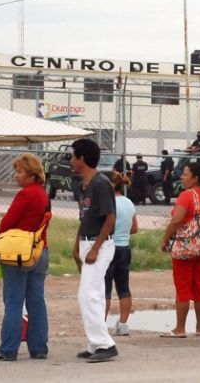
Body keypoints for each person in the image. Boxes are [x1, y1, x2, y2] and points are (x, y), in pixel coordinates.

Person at [0, 153, 51, 362]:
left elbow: (8, 222)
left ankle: (8, 349)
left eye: (19, 171)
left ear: (31, 175)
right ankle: (39, 347)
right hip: (40, 250)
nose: (15, 175)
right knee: (37, 301)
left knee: (14, 301)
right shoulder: (43, 194)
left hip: (18, 254)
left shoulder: (25, 194)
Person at [70, 138, 119, 362]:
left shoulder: (101, 183)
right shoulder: (83, 184)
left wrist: (95, 249)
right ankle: (94, 344)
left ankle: (104, 344)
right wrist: (77, 245)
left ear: (82, 158)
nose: (71, 160)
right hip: (86, 242)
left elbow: (110, 218)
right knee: (95, 295)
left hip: (99, 244)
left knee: (87, 295)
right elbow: (85, 217)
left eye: (73, 156)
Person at [159, 162, 200, 337]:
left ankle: (180, 328)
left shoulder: (186, 196)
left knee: (183, 286)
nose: (182, 177)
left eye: (185, 174)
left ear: (195, 178)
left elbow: (177, 220)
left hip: (184, 247)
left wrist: (164, 240)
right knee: (199, 286)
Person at [104, 172, 139, 336]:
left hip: (109, 246)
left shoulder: (108, 203)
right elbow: (134, 228)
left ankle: (101, 324)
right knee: (123, 288)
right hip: (124, 248)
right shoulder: (129, 203)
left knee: (105, 289)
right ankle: (123, 324)